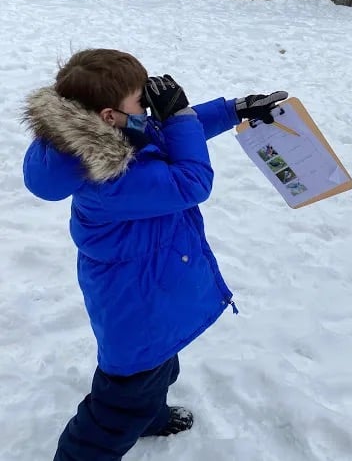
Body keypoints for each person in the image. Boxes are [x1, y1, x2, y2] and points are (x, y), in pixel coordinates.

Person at [22, 48, 287, 461]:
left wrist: (233, 110)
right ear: (109, 115)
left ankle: (151, 418)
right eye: (140, 100)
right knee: (120, 404)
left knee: (162, 366)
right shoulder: (107, 180)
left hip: (153, 289)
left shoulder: (105, 135)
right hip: (136, 309)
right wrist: (179, 117)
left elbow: (163, 133)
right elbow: (190, 181)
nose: (149, 105)